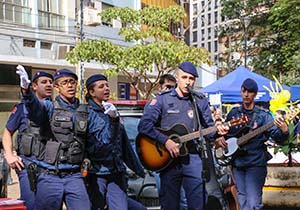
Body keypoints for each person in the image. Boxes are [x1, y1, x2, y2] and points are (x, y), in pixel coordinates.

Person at [138, 61, 227, 210]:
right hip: (167, 159)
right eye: (184, 77)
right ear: (177, 78)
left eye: (191, 78)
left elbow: (208, 130)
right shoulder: (163, 99)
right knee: (170, 205)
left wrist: (219, 132)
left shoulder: (199, 100)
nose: (188, 82)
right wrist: (165, 141)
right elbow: (144, 126)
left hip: (192, 157)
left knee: (198, 203)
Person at [16, 66, 90, 210]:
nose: (70, 85)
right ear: (57, 87)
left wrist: (112, 121)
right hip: (49, 175)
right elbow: (35, 109)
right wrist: (26, 92)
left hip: (74, 175)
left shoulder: (85, 112)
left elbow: (97, 141)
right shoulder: (49, 107)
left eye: (72, 82)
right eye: (65, 82)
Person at [217, 78, 289, 210]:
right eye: (244, 91)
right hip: (238, 163)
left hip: (255, 163)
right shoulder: (234, 113)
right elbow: (226, 135)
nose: (246, 94)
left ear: (255, 94)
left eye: (249, 92)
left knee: (254, 203)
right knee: (243, 201)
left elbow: (280, 139)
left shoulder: (263, 116)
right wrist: (220, 137)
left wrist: (284, 130)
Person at [84, 74, 145, 210]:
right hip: (97, 173)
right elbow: (102, 143)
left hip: (116, 171)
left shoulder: (111, 110)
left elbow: (124, 144)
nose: (106, 89)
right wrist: (113, 121)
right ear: (91, 92)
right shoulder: (87, 114)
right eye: (101, 86)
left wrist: (138, 168)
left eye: (107, 85)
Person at [2, 71, 53, 210]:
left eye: (50, 82)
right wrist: (9, 155)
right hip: (28, 165)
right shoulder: (22, 108)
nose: (48, 85)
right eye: (44, 82)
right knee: (31, 204)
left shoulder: (57, 109)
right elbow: (7, 132)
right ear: (34, 86)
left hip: (51, 167)